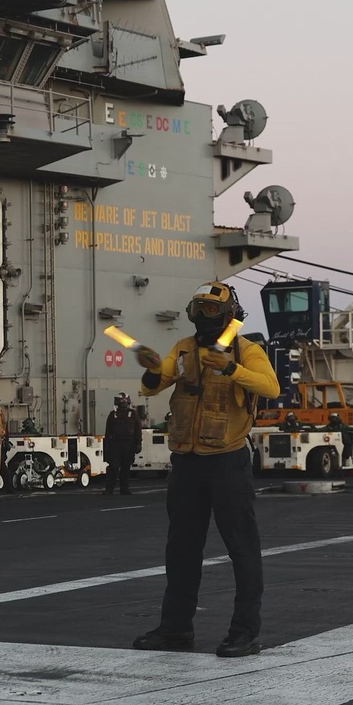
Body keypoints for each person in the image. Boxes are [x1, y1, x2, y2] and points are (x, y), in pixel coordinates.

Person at [130, 282, 281, 658]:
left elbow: (271, 386)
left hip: (227, 460)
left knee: (242, 549)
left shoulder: (247, 350)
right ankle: (175, 629)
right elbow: (154, 385)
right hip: (187, 462)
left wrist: (231, 368)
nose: (202, 316)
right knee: (180, 550)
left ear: (228, 315)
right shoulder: (183, 349)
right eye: (198, 308)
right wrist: (150, 370)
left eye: (211, 310)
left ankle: (245, 633)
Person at [102, 393, 142, 495]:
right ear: (117, 402)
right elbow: (108, 432)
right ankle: (109, 488)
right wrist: (107, 447)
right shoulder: (112, 415)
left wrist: (138, 443)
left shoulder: (133, 414)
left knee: (126, 468)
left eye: (125, 400)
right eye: (121, 401)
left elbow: (138, 430)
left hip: (128, 445)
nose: (123, 403)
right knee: (114, 467)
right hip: (115, 445)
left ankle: (124, 489)